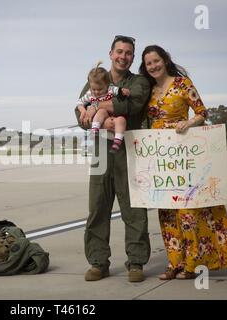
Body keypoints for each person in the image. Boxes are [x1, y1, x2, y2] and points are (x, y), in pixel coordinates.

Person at [139, 45, 227, 280]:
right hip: (161, 158)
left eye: (156, 61)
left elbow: (201, 112)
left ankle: (192, 263)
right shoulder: (149, 90)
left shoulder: (182, 84)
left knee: (187, 211)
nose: (153, 66)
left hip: (184, 154)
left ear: (165, 60)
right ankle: (173, 263)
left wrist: (188, 123)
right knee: (167, 211)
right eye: (148, 64)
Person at [74, 35, 151, 282]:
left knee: (133, 209)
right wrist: (93, 115)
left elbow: (134, 104)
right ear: (110, 53)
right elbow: (80, 115)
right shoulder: (96, 78)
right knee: (97, 207)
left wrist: (102, 113)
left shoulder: (139, 82)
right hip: (100, 152)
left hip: (128, 149)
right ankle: (98, 262)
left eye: (128, 53)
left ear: (132, 57)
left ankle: (136, 262)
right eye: (119, 51)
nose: (123, 56)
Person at [76, 61, 130, 153]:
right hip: (101, 119)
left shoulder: (110, 89)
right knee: (102, 111)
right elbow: (79, 102)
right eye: (94, 89)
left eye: (100, 89)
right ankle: (94, 131)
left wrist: (123, 91)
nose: (96, 92)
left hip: (114, 117)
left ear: (107, 85)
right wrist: (83, 111)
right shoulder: (89, 94)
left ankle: (117, 141)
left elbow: (119, 91)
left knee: (121, 120)